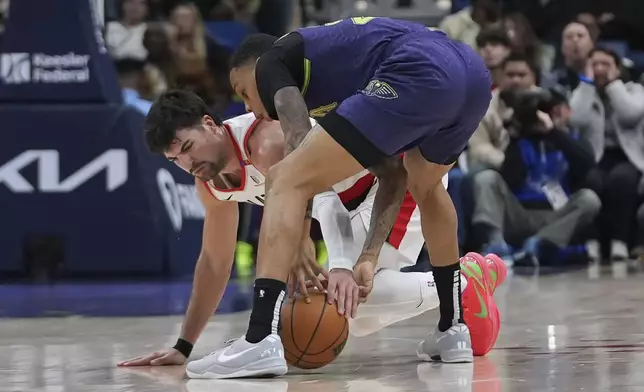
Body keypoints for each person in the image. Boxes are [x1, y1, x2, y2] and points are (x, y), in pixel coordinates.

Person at [117, 90, 505, 368]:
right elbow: (215, 263)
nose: (187, 163)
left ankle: (462, 282)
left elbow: (324, 200)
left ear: (209, 124)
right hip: (349, 204)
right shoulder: (211, 183)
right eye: (175, 159)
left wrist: (337, 266)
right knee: (355, 314)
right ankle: (458, 284)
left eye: (188, 147)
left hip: (389, 184)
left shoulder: (265, 142)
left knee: (349, 299)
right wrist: (184, 346)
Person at [198, 17, 493, 378]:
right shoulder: (351, 84)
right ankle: (453, 329)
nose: (248, 108)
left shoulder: (273, 62)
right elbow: (392, 172)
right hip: (471, 75)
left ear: (254, 70)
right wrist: (368, 256)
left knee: (284, 178)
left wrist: (302, 236)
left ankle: (260, 336)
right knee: (425, 185)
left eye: (243, 91)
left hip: (422, 65)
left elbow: (296, 136)